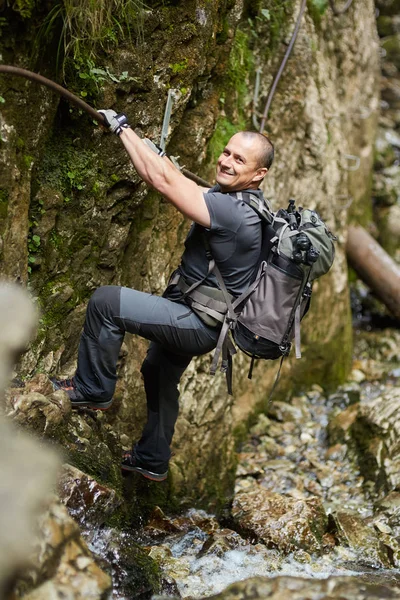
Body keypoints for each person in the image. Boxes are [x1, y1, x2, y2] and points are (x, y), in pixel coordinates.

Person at [51, 109, 274, 482]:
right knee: (157, 370)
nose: (226, 161)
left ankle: (92, 389)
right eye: (226, 152)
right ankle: (151, 459)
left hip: (197, 323)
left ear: (259, 174)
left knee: (107, 302)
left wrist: (123, 128)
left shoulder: (232, 212)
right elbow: (165, 174)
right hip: (198, 315)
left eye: (239, 159)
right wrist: (139, 143)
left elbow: (161, 181)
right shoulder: (238, 202)